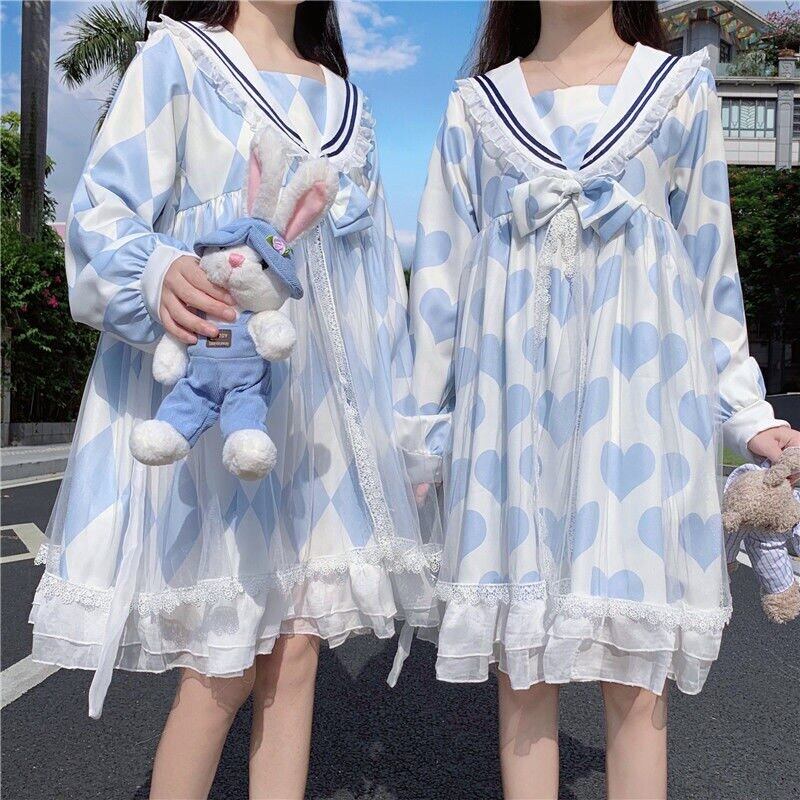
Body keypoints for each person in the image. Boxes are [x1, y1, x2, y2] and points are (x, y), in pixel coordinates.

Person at [29, 2, 438, 798]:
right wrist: (156, 273)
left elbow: (380, 291)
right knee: (220, 665)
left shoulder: (348, 104)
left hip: (322, 428)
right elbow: (101, 214)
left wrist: (405, 432)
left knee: (299, 650)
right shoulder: (180, 61)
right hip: (219, 407)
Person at [404, 1, 800, 797]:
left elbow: (710, 268)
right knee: (523, 663)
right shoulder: (476, 107)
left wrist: (747, 413)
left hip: (642, 411)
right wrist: (420, 433)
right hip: (507, 417)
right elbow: (437, 284)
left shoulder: (678, 90)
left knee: (637, 667)